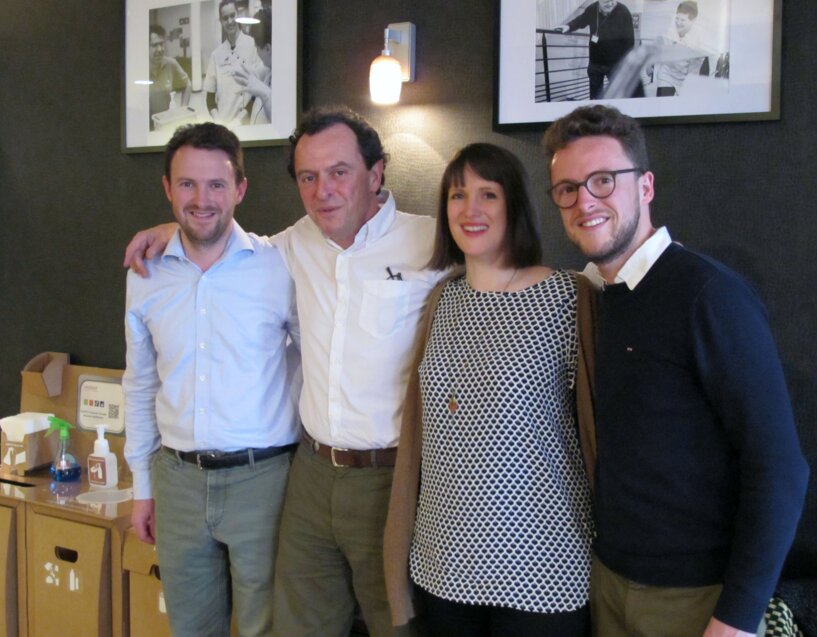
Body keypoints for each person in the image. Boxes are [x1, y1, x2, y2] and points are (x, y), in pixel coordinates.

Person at [123, 106, 445, 637]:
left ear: (375, 173)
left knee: (395, 623)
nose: (323, 190)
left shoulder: (429, 242)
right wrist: (178, 227)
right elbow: (216, 248)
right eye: (308, 177)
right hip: (293, 474)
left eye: (338, 172)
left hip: (369, 475)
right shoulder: (288, 247)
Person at [542, 104, 809, 637]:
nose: (584, 200)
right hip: (608, 582)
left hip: (697, 597)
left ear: (645, 186)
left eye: (602, 180)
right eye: (567, 188)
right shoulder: (591, 298)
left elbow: (780, 467)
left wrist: (737, 618)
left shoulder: (707, 294)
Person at [384, 143, 596, 637]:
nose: (470, 210)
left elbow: (599, 423)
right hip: (444, 564)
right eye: (458, 195)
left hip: (542, 567)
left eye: (488, 195)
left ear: (514, 204)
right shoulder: (442, 300)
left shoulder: (568, 297)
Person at [122, 122, 300, 637]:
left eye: (216, 184)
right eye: (188, 184)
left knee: (267, 628)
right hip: (176, 481)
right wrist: (142, 488)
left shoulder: (279, 266)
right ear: (167, 188)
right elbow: (140, 384)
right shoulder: (145, 275)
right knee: (190, 629)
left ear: (240, 189)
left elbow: (316, 358)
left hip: (264, 481)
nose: (202, 200)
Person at [555, 0, 638, 99]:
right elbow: (581, 20)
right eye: (606, 1)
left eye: (612, 0)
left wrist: (626, 62)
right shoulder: (592, 9)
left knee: (617, 94)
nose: (610, 4)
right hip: (595, 63)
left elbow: (629, 41)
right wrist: (568, 26)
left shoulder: (623, 11)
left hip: (615, 64)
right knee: (595, 96)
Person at [203, 0, 266, 126]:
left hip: (248, 122)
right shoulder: (216, 55)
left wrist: (239, 120)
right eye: (225, 18)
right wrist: (219, 123)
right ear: (221, 21)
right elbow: (210, 100)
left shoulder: (253, 46)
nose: (230, 21)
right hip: (225, 123)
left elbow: (259, 91)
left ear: (238, 15)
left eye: (232, 15)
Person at [654, 1, 708, 96]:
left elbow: (695, 68)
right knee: (663, 102)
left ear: (693, 20)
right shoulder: (669, 31)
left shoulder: (698, 39)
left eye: (682, 20)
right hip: (667, 75)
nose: (678, 22)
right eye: (677, 18)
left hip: (686, 77)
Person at [148, 24, 190, 130]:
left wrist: (183, 110)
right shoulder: (138, 69)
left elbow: (187, 84)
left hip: (165, 123)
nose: (160, 49)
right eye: (155, 45)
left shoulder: (171, 64)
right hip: (145, 125)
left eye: (162, 44)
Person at [234, 5, 272, 124]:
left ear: (267, 49)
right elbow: (254, 74)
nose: (256, 51)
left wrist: (264, 93)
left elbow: (282, 120)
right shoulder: (268, 71)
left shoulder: (287, 81)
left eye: (257, 48)